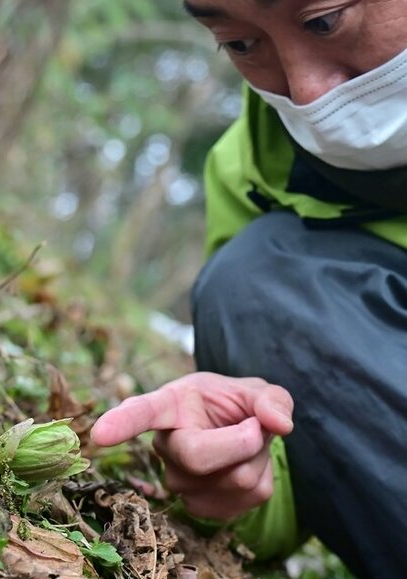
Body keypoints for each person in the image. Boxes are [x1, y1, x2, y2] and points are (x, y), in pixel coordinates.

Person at [91, 1, 407, 577]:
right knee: (257, 281)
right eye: (240, 43)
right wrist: (227, 477)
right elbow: (332, 464)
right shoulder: (254, 174)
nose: (307, 93)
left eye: (323, 20)